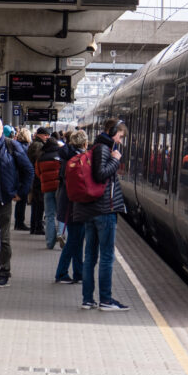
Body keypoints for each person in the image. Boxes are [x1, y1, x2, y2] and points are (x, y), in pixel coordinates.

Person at [76, 118, 130, 311]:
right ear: (113, 131)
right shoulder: (104, 149)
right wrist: (116, 160)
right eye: (120, 136)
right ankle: (105, 300)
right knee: (106, 256)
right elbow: (101, 174)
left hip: (93, 210)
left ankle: (88, 299)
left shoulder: (97, 147)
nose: (121, 141)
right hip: (103, 211)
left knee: (90, 255)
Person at [0, 116, 34, 288]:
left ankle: (4, 272)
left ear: (2, 129)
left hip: (3, 199)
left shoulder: (12, 146)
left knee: (3, 238)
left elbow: (28, 170)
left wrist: (21, 192)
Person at [54, 130, 88, 284]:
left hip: (68, 203)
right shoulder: (78, 159)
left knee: (77, 240)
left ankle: (78, 273)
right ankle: (61, 273)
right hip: (74, 205)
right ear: (84, 143)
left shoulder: (67, 157)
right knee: (74, 240)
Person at [36, 137, 64, 249]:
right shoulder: (61, 156)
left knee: (49, 215)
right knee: (61, 213)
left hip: (47, 189)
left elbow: (38, 173)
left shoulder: (40, 158)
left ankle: (50, 242)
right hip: (59, 188)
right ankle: (61, 235)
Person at [13, 128, 32, 230]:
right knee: (21, 200)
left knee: (20, 201)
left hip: (17, 177)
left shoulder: (17, 145)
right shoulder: (25, 148)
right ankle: (19, 223)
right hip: (22, 177)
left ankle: (18, 222)